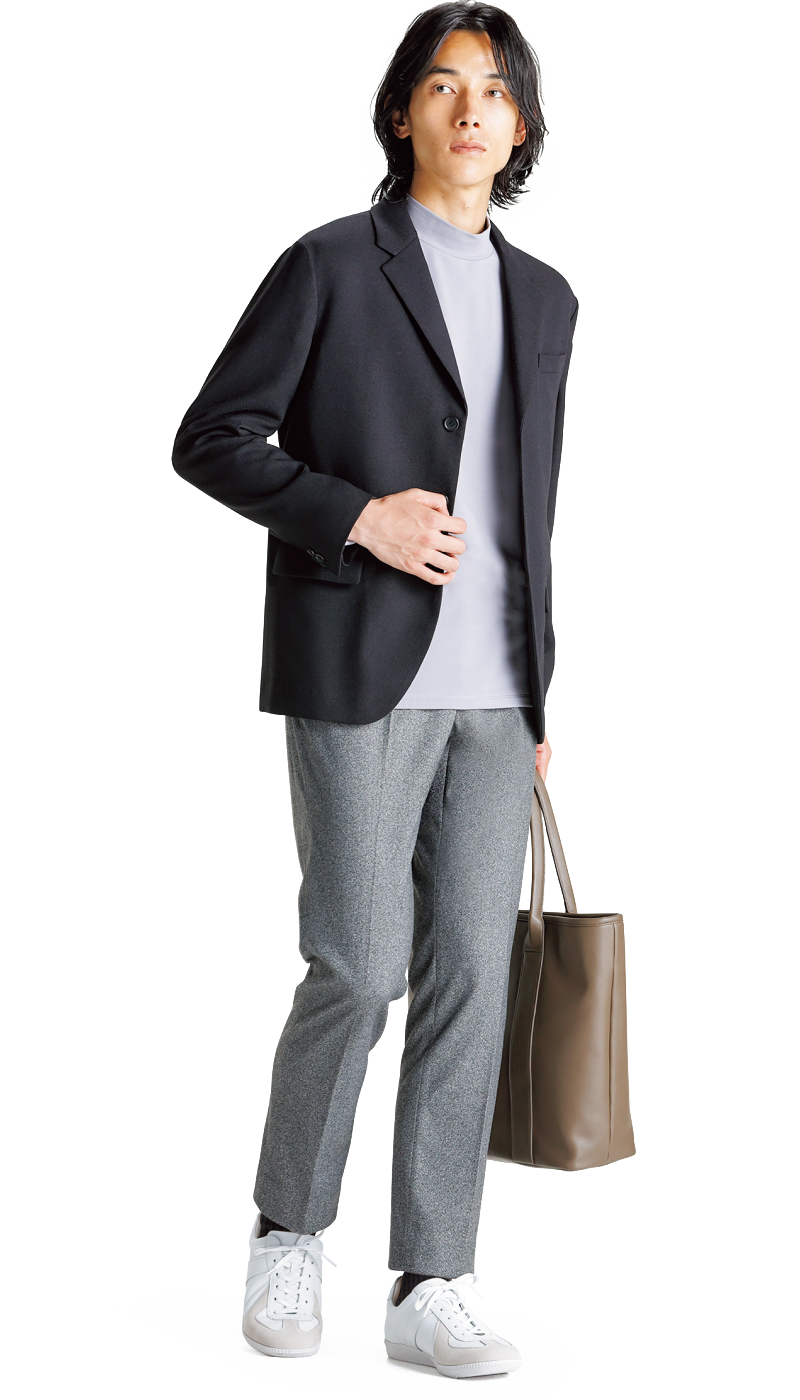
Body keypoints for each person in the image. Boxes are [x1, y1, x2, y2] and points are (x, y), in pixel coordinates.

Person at [172, 1, 578, 1379]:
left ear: (519, 127)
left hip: (498, 695)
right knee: (356, 962)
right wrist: (357, 517)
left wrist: (541, 691)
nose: (471, 109)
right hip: (359, 670)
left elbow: (530, 508)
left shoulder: (547, 299)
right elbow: (213, 438)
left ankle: (431, 1277)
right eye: (444, 86)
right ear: (403, 112)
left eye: (496, 91)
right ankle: (289, 1230)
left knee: (471, 977)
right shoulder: (333, 266)